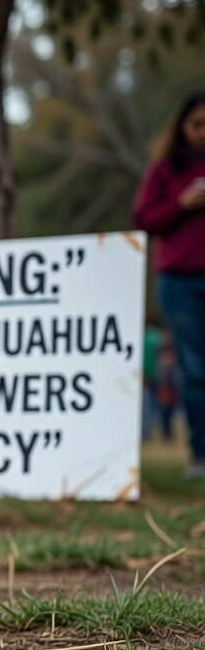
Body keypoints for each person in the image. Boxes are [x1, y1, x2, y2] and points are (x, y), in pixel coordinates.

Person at [133, 89, 205, 480]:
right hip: (179, 279)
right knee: (194, 369)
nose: (203, 133)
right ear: (181, 127)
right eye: (197, 124)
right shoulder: (167, 171)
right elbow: (143, 217)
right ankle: (200, 455)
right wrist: (182, 203)